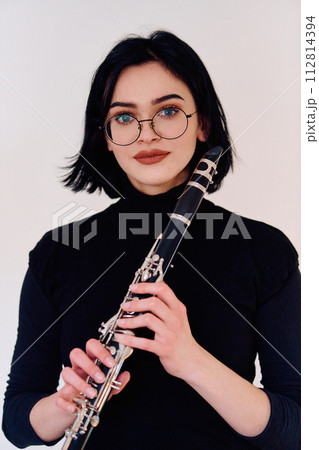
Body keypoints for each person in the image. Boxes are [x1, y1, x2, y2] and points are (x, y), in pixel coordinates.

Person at [2, 31, 300, 449]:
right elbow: (16, 420)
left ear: (204, 125)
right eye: (124, 117)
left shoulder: (264, 251)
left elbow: (297, 426)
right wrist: (66, 404)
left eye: (169, 111)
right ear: (105, 136)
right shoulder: (59, 252)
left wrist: (189, 357)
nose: (146, 134)